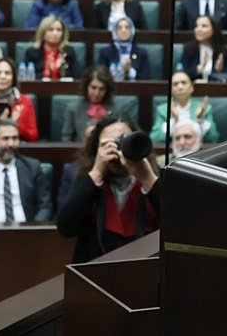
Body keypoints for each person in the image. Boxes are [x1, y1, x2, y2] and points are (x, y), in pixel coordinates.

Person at [57, 112, 159, 262]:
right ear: (96, 149)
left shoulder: (152, 178)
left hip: (145, 272)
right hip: (94, 271)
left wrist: (148, 179)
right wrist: (97, 172)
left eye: (123, 141)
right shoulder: (86, 179)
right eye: (107, 144)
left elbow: (179, 227)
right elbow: (66, 228)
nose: (117, 150)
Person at [151, 70, 221, 144]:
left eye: (184, 83)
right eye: (175, 84)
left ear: (191, 87)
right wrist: (173, 121)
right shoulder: (163, 110)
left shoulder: (204, 109)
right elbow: (154, 139)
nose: (180, 87)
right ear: (170, 89)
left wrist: (201, 121)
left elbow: (213, 138)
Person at [58, 66, 118, 142]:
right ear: (86, 86)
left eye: (101, 89)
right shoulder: (73, 108)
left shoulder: (115, 108)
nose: (97, 93)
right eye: (93, 87)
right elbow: (66, 138)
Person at [22, 14, 82, 81]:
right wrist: (47, 72)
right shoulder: (32, 52)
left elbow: (78, 76)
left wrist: (61, 71)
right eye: (51, 30)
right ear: (43, 32)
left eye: (59, 30)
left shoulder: (68, 51)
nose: (55, 33)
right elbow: (26, 78)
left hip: (64, 90)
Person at [178, 15, 227, 81]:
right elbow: (182, 75)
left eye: (204, 26)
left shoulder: (223, 51)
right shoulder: (188, 49)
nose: (199, 29)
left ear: (213, 30)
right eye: (197, 26)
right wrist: (198, 69)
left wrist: (219, 71)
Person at [98, 16, 151, 81]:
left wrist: (130, 71)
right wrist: (120, 70)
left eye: (127, 27)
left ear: (132, 31)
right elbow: (101, 77)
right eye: (119, 28)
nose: (123, 30)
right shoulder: (105, 52)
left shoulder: (141, 53)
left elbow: (146, 78)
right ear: (115, 31)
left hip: (136, 89)